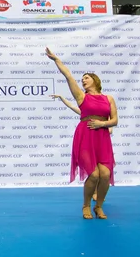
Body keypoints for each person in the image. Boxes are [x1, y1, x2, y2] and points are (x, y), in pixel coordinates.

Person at [45, 48, 118, 219]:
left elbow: (114, 120)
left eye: (86, 78)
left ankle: (99, 206)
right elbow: (68, 75)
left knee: (105, 174)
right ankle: (86, 205)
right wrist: (56, 59)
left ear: (95, 80)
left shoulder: (109, 98)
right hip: (85, 136)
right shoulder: (81, 97)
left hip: (102, 136)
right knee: (93, 175)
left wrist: (102, 123)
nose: (83, 80)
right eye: (82, 79)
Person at [51, 94, 113, 202]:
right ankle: (93, 194)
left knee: (104, 173)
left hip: (101, 143)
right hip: (89, 143)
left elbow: (111, 129)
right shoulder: (86, 114)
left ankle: (99, 194)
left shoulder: (105, 118)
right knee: (94, 173)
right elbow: (72, 107)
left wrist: (102, 125)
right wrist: (62, 98)